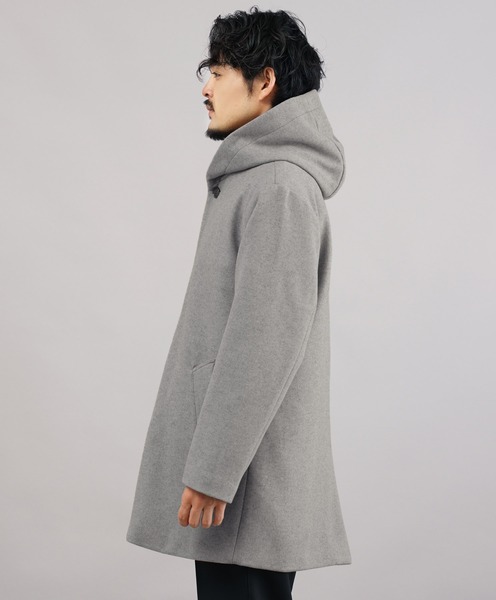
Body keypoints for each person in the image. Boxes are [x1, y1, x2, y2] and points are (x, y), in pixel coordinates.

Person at [126, 7, 352, 599]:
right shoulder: (258, 180)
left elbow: (264, 343)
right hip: (241, 480)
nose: (205, 88)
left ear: (265, 81)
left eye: (219, 72)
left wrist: (212, 471)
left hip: (247, 483)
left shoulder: (278, 186)